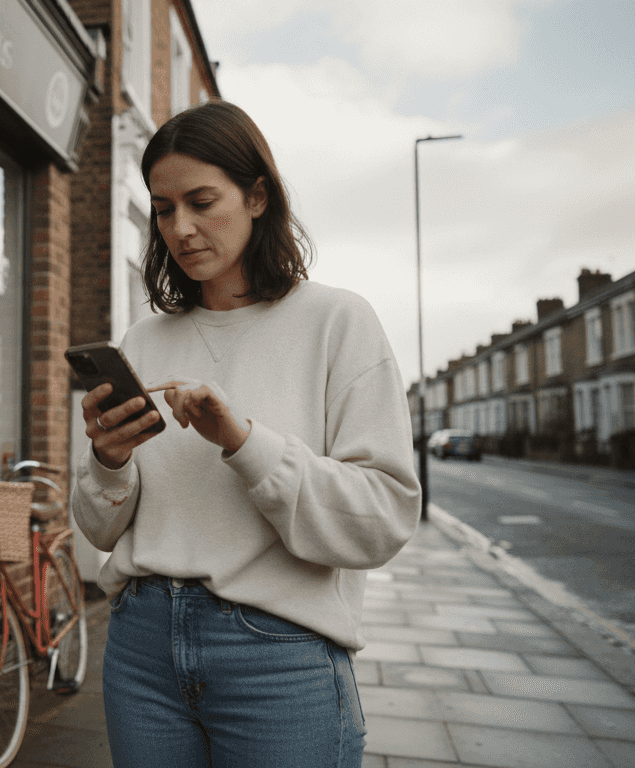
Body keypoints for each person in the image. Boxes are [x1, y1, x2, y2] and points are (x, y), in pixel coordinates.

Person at [70, 100, 421, 767]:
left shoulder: (336, 321)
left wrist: (245, 443)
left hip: (278, 656)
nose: (182, 228)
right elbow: (98, 529)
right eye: (164, 208)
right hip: (141, 648)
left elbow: (382, 519)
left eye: (202, 201)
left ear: (258, 196)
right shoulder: (145, 338)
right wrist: (108, 461)